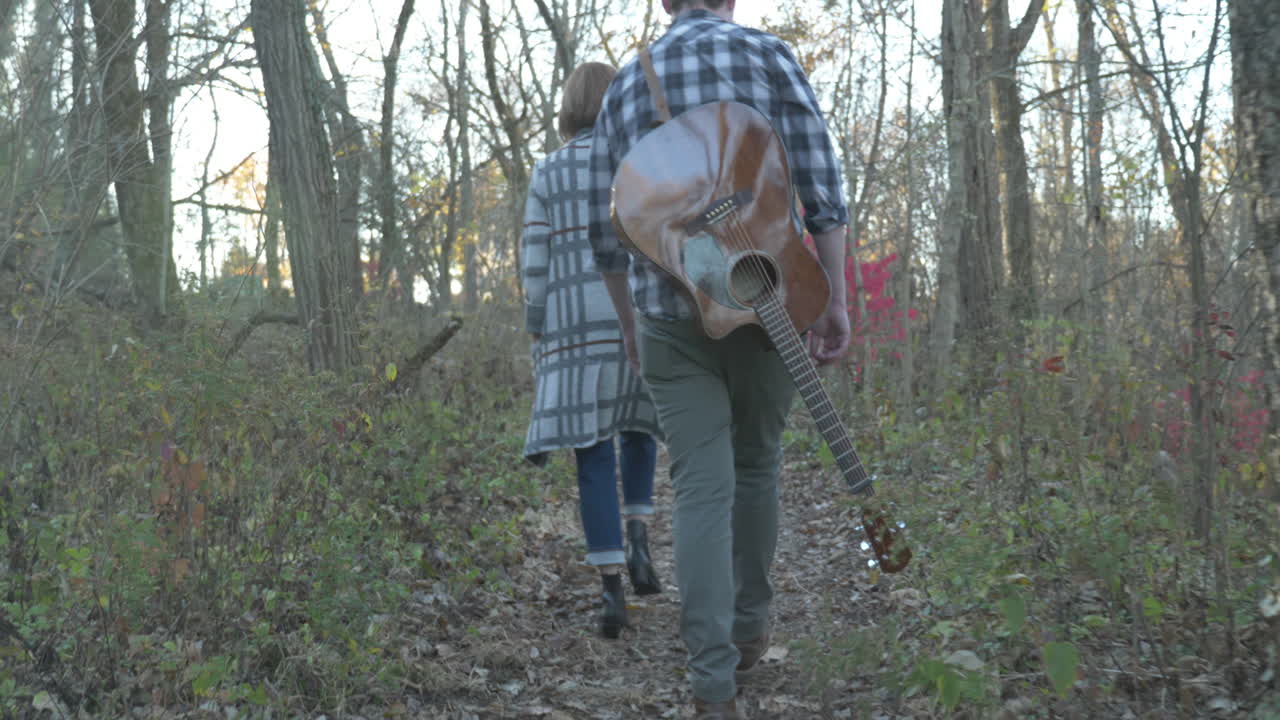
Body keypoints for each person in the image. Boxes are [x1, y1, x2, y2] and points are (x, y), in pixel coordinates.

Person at [586, 1, 852, 716]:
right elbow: (821, 185)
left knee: (702, 487)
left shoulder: (624, 86)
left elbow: (605, 229)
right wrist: (835, 298)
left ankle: (711, 684)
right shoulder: (768, 56)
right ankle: (749, 630)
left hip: (669, 313)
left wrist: (629, 324)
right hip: (771, 298)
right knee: (758, 464)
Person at [521, 61, 665, 640]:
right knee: (639, 429)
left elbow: (536, 262)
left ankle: (610, 591)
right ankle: (639, 538)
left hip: (574, 332)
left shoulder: (546, 172)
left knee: (591, 454)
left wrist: (538, 325)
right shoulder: (638, 164)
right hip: (636, 318)